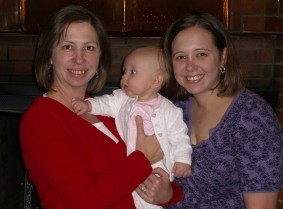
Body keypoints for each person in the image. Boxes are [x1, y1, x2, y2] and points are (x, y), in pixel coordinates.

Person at [19, 5, 183, 209]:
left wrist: (167, 193)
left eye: (89, 48)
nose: (79, 59)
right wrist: (142, 159)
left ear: (99, 57)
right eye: (67, 47)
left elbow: (153, 174)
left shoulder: (110, 110)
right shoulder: (41, 120)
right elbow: (87, 200)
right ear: (50, 56)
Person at [161, 12, 283, 209]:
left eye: (201, 54)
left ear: (223, 57)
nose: (190, 66)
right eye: (180, 56)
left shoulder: (251, 116)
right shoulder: (173, 109)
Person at [71, 46, 192, 209]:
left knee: (149, 198)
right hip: (130, 163)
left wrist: (183, 159)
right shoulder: (122, 99)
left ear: (155, 81)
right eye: (124, 71)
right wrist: (88, 104)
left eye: (132, 72)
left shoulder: (169, 110)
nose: (124, 78)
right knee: (133, 197)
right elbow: (105, 103)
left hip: (158, 165)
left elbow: (179, 135)